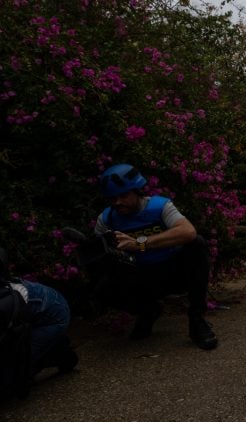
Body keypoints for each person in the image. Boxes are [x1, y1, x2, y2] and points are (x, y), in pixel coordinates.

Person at [92, 163, 218, 350]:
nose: (118, 202)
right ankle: (148, 310)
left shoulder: (160, 206)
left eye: (123, 195)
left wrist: (139, 243)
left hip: (173, 271)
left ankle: (197, 319)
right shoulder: (107, 219)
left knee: (197, 244)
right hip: (141, 276)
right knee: (101, 288)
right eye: (113, 198)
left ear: (137, 191)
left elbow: (188, 232)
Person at [1, 247, 77, 401]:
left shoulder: (10, 296)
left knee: (12, 376)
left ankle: (59, 353)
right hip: (33, 314)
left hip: (52, 317)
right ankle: (56, 348)